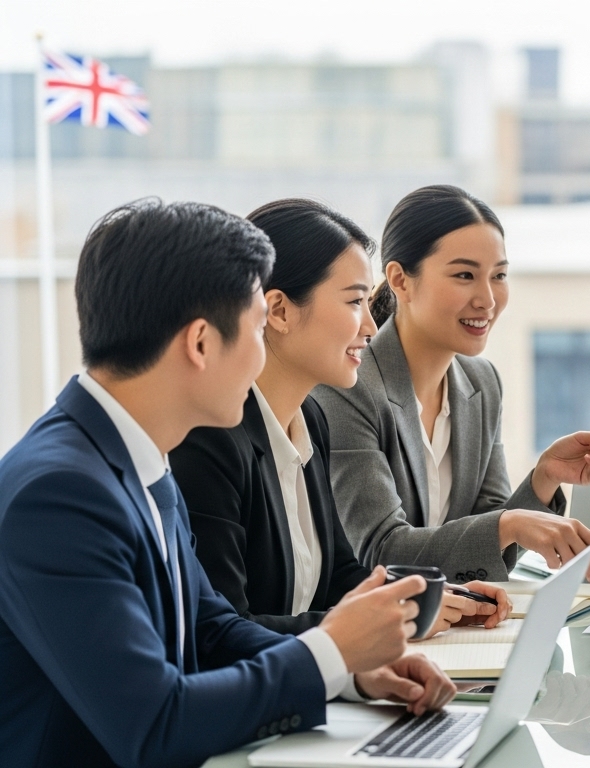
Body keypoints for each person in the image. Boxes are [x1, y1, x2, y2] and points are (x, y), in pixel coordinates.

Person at [0, 199, 455, 767]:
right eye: (257, 329)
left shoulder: (137, 454)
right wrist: (328, 652)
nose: (262, 355)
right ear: (200, 343)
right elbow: (154, 725)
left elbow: (209, 630)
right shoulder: (59, 495)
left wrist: (350, 672)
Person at [171, 199, 511, 637]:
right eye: (354, 302)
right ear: (278, 311)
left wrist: (427, 599)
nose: (371, 325)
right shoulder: (209, 441)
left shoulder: (310, 418)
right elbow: (219, 633)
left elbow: (340, 579)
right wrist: (376, 624)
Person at [312, 185, 590, 583]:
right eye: (465, 275)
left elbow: (488, 548)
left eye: (498, 275)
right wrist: (509, 524)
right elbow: (382, 551)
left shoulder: (481, 383)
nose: (487, 299)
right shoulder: (351, 385)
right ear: (400, 280)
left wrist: (544, 477)